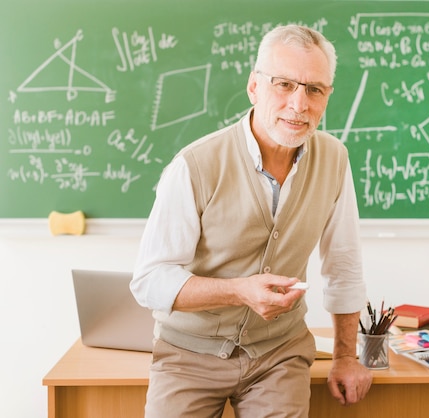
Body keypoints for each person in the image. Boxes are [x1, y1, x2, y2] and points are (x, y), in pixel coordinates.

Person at [130, 24, 372, 417]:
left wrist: (346, 356)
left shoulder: (335, 159)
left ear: (327, 96)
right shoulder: (194, 165)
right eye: (284, 84)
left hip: (279, 354)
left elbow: (343, 264)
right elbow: (149, 281)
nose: (299, 104)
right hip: (188, 356)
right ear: (254, 87)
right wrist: (239, 291)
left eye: (314, 89)